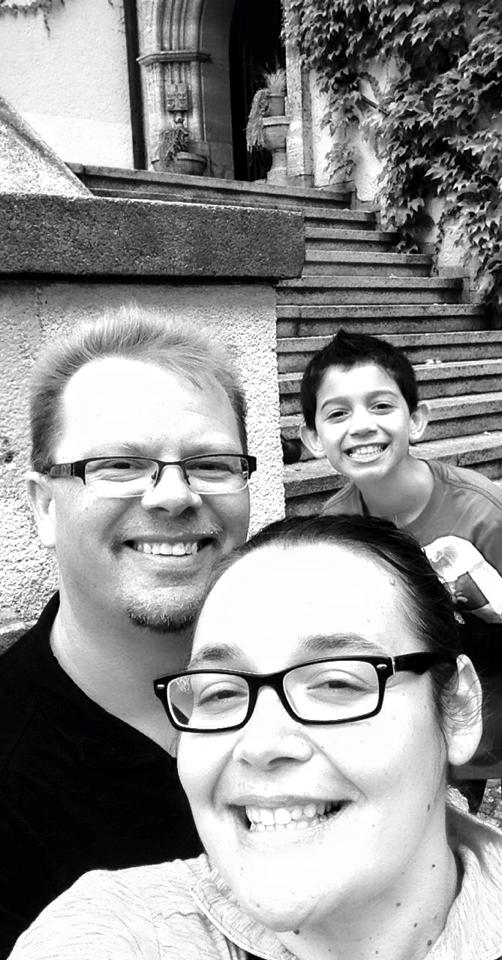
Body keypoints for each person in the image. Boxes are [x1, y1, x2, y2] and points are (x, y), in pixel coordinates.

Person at [8, 514, 502, 960]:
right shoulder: (104, 929)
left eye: (339, 681)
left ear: (457, 706)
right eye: (222, 692)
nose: (259, 744)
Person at [0, 308, 255, 956]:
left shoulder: (321, 697)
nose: (173, 496)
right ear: (43, 506)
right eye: (118, 464)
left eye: (212, 463)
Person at [297, 330, 502, 880]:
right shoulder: (340, 531)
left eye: (381, 405)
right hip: (441, 734)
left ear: (417, 419)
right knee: (438, 872)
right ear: (313, 438)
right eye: (337, 414)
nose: (361, 425)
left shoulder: (486, 513)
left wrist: (430, 644)